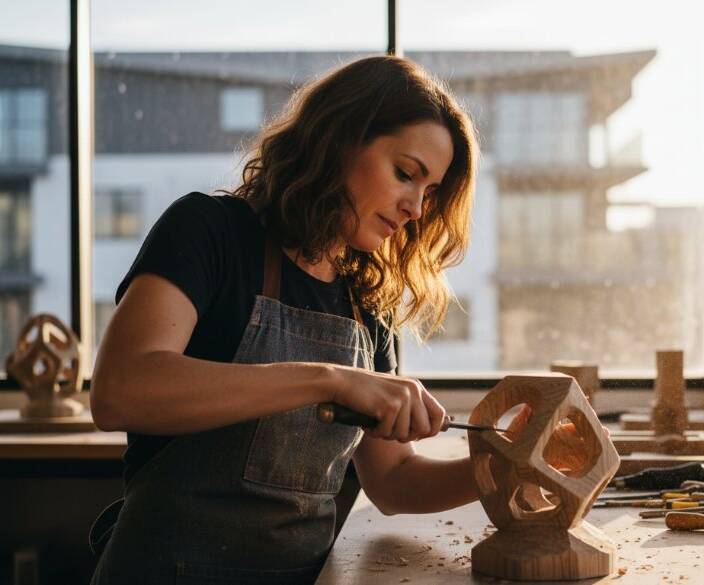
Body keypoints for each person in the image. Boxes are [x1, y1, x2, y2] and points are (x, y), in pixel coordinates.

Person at [88, 55, 488, 584]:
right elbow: (121, 390)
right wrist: (329, 380)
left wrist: (499, 471)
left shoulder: (366, 297)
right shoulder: (208, 230)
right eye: (405, 174)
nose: (416, 207)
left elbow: (393, 482)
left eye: (430, 191)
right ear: (339, 140)